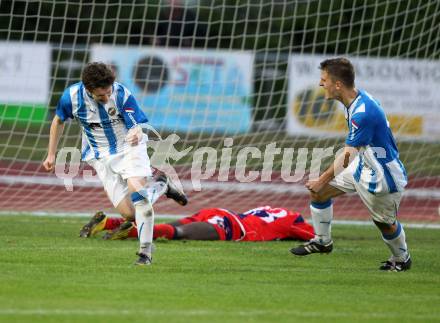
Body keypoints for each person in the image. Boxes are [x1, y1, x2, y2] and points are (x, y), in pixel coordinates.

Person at [42, 62, 187, 266]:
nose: (107, 97)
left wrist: (136, 131)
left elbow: (134, 123)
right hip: (99, 157)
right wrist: (51, 154)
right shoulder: (72, 97)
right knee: (128, 214)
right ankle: (161, 185)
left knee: (139, 196)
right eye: (101, 95)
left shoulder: (120, 94)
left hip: (128, 148)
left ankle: (145, 254)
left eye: (108, 92)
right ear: (88, 89)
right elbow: (58, 120)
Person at [290, 58, 411, 272]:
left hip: (382, 176)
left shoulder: (362, 114)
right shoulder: (355, 100)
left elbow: (347, 156)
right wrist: (321, 185)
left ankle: (402, 258)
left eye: (324, 79)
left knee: (384, 222)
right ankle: (322, 241)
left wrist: (321, 179)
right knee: (319, 194)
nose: (320, 84)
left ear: (338, 84)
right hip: (362, 166)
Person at [79, 206, 315, 242]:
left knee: (167, 227)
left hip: (217, 212)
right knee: (179, 234)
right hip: (236, 227)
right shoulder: (296, 219)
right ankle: (131, 233)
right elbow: (313, 236)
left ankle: (109, 222)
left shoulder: (274, 209)